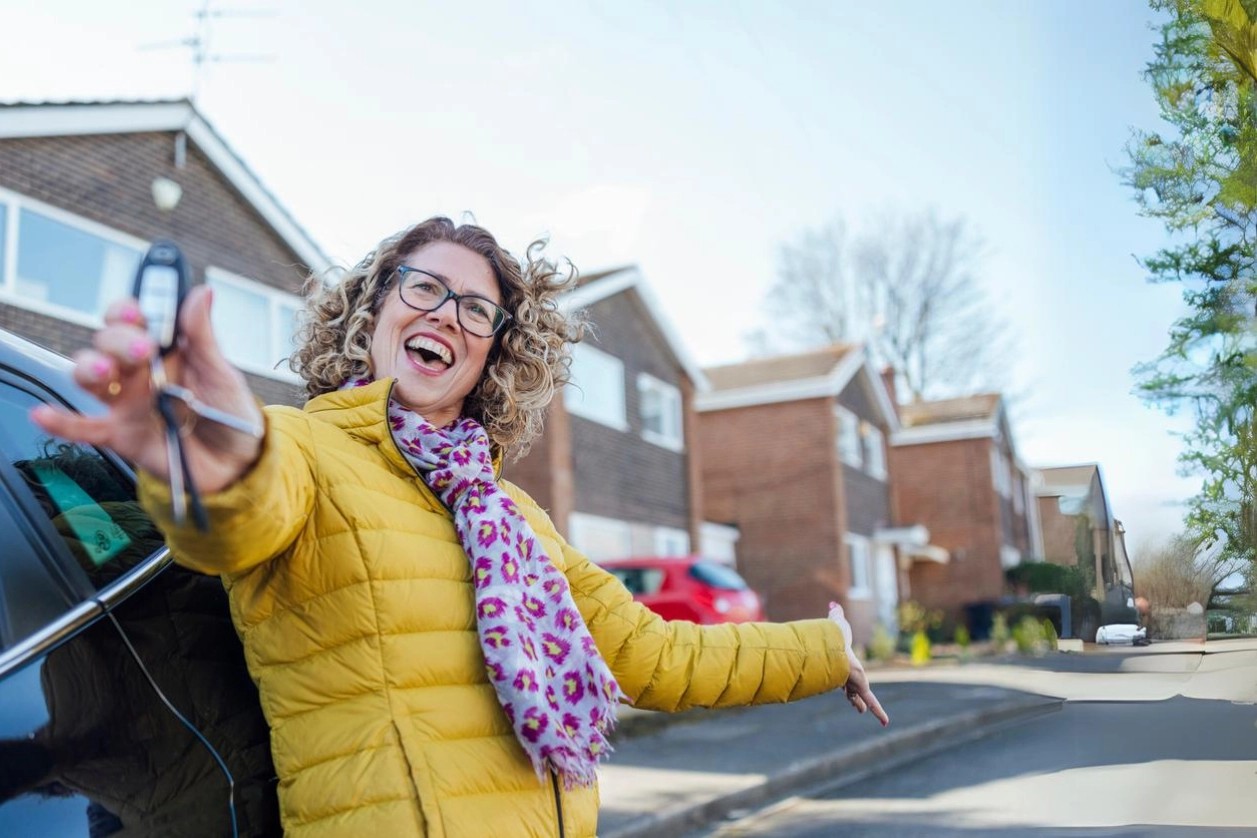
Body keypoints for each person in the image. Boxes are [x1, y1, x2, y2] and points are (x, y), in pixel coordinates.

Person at [34, 216, 888, 838]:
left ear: (491, 355)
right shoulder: (300, 447)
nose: (447, 313)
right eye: (425, 287)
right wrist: (215, 465)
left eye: (476, 310)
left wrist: (820, 650)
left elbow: (651, 655)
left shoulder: (513, 517)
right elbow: (239, 520)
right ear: (372, 314)